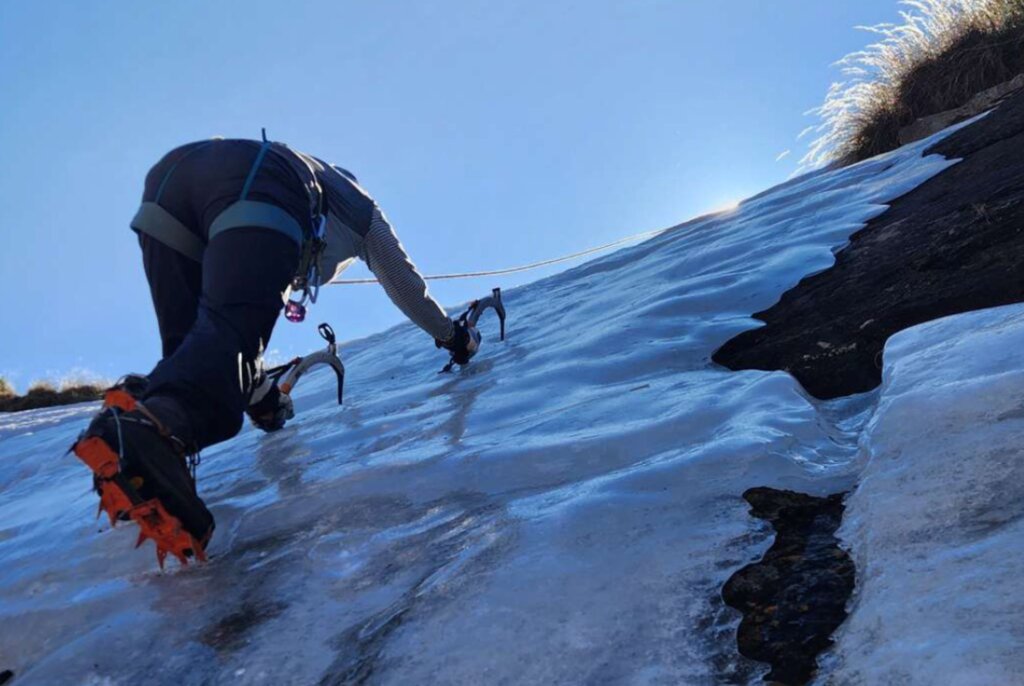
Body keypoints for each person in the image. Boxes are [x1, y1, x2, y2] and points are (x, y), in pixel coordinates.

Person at [71, 136, 478, 567]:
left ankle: (135, 428)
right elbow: (405, 284)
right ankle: (141, 433)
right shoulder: (359, 208)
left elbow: (227, 347)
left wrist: (263, 399)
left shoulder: (305, 191)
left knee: (191, 358)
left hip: (170, 182)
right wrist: (454, 337)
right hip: (260, 180)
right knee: (208, 382)